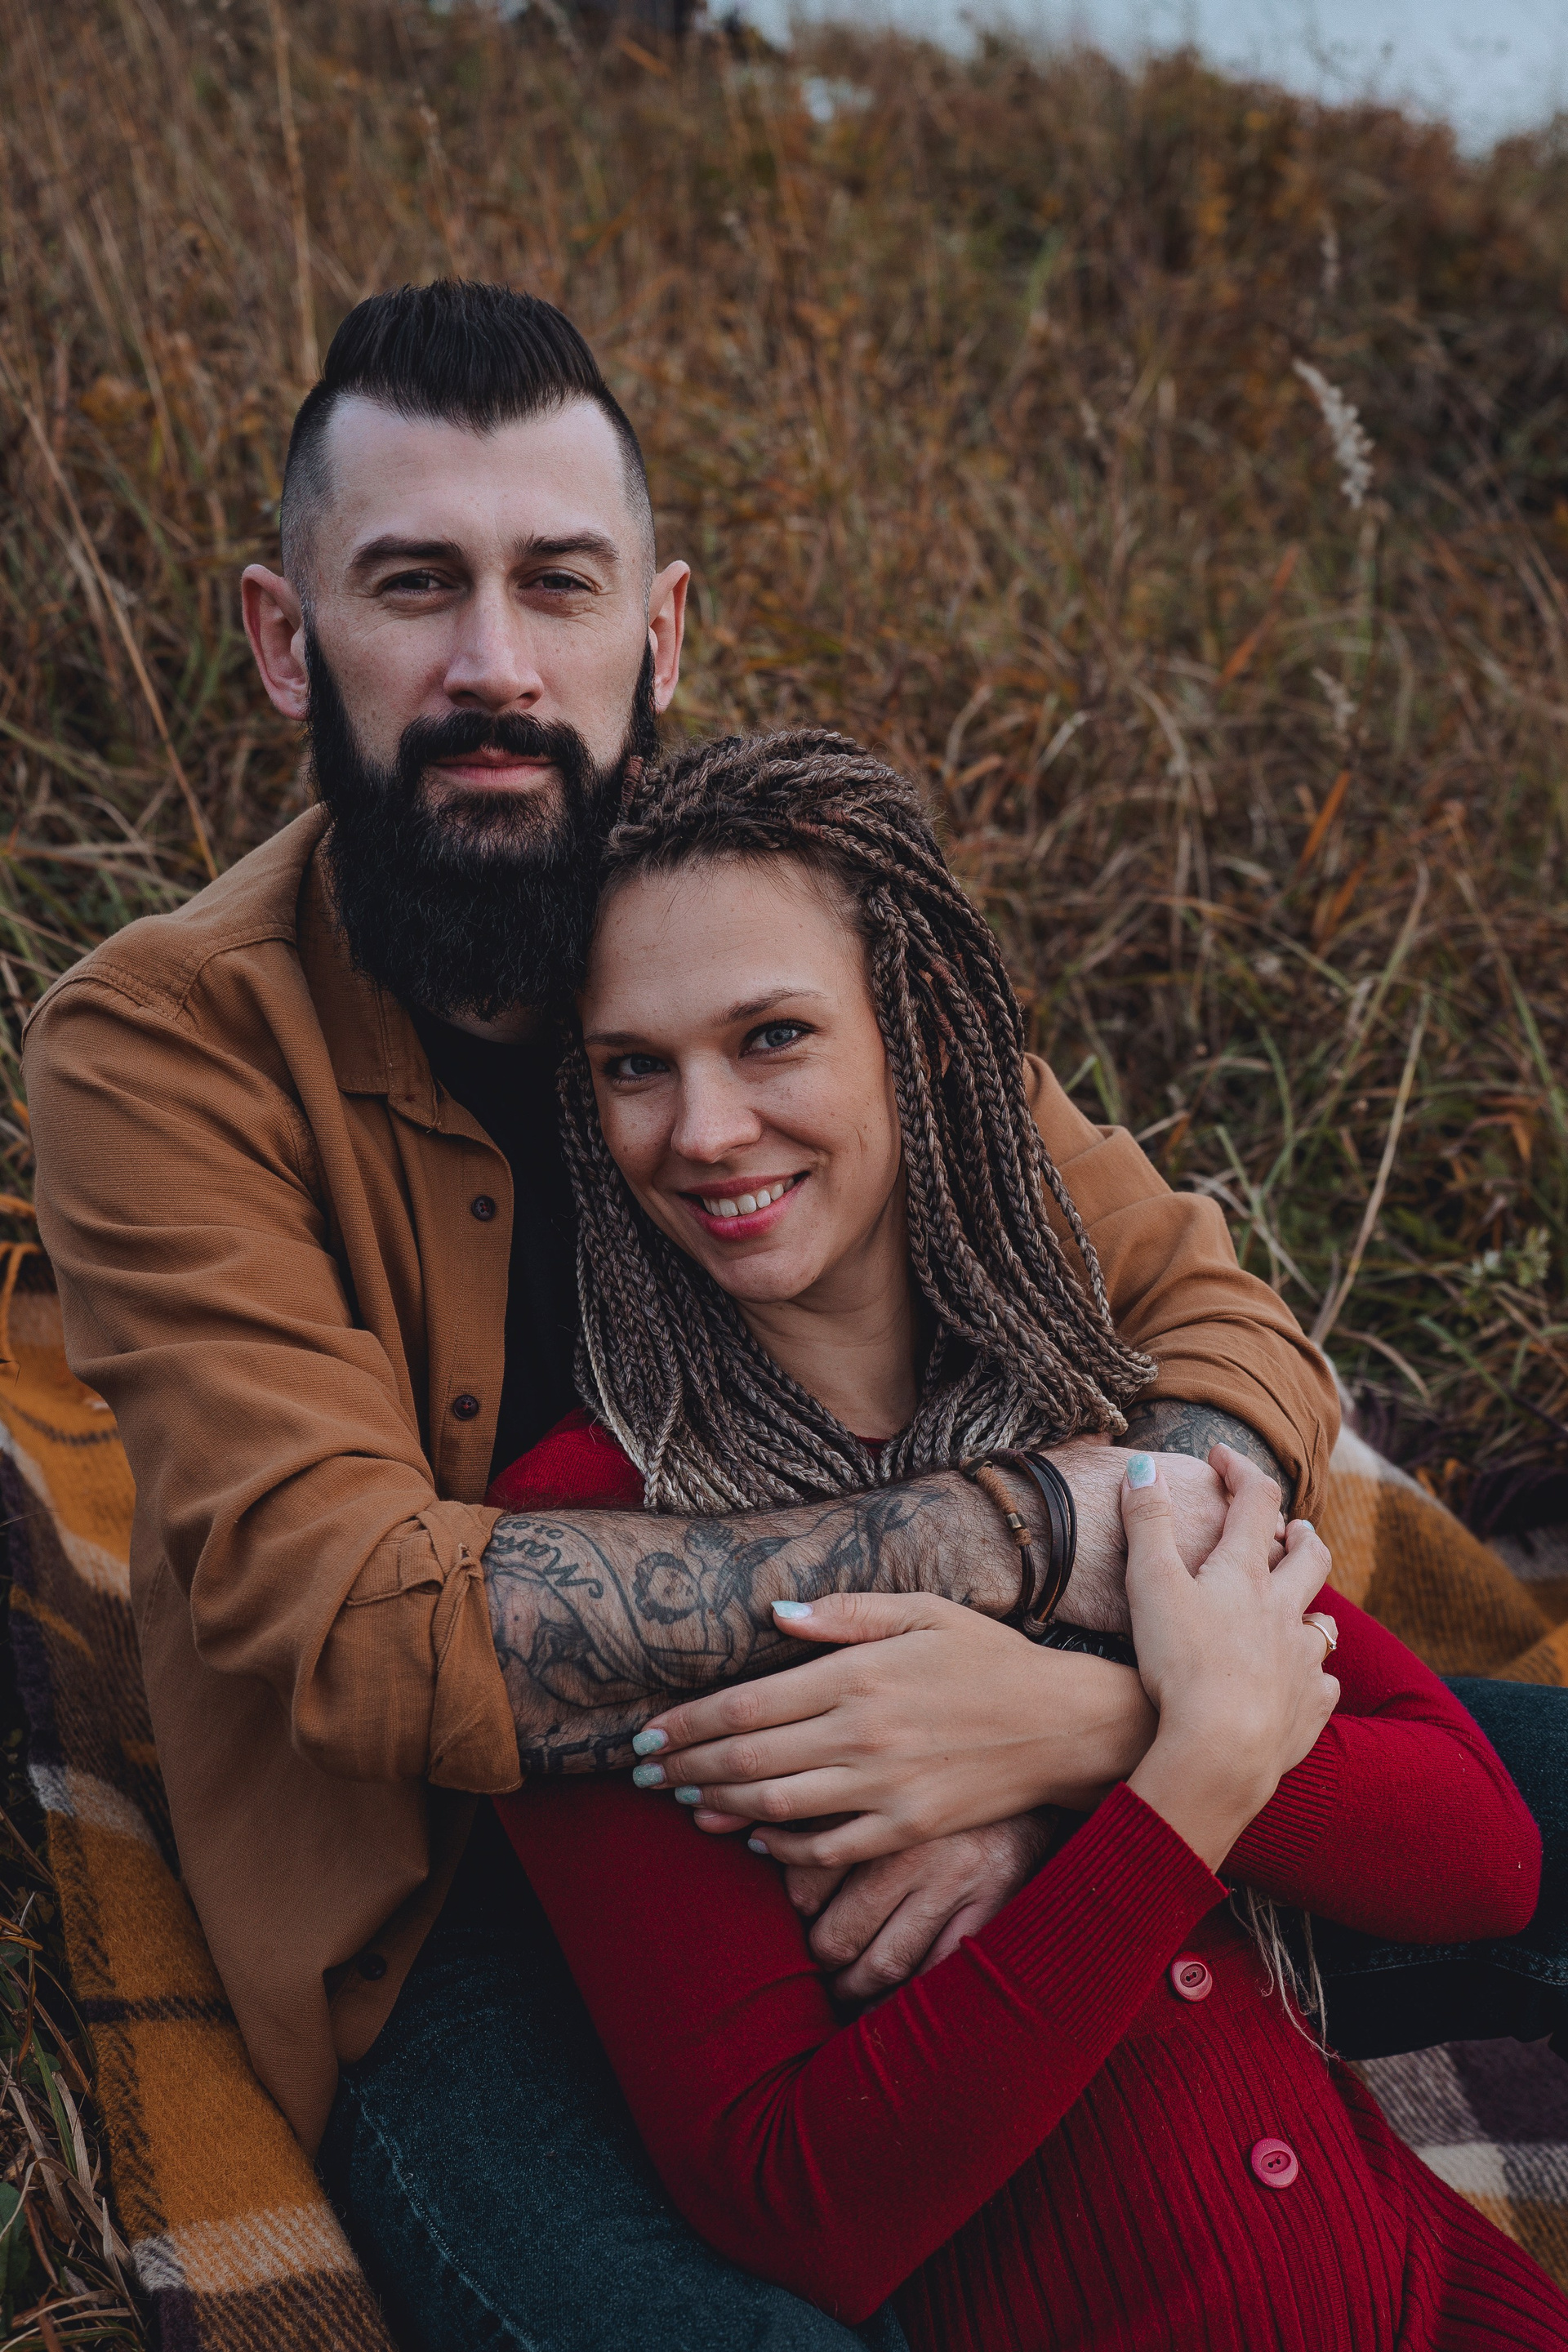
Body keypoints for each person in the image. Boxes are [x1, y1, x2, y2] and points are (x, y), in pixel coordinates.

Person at [12, 280, 1560, 2349]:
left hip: (1003, 1702)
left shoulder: (761, 924)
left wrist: (1071, 1732)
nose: (494, 664)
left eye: (558, 583)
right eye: (414, 583)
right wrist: (1042, 1540)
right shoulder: (162, 1044)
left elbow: (1212, 1315)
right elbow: (362, 1631)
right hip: (452, 1907)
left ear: (657, 633)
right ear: (291, 638)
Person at [490, 728, 1567, 2347]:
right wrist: (1187, 1785)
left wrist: (1081, 1736)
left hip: (1434, 2296)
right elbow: (794, 2197)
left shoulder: (1093, 1418)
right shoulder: (597, 1542)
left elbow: (1483, 1855)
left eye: (772, 1036)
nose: (702, 1128)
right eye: (634, 1065)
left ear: (921, 1032)